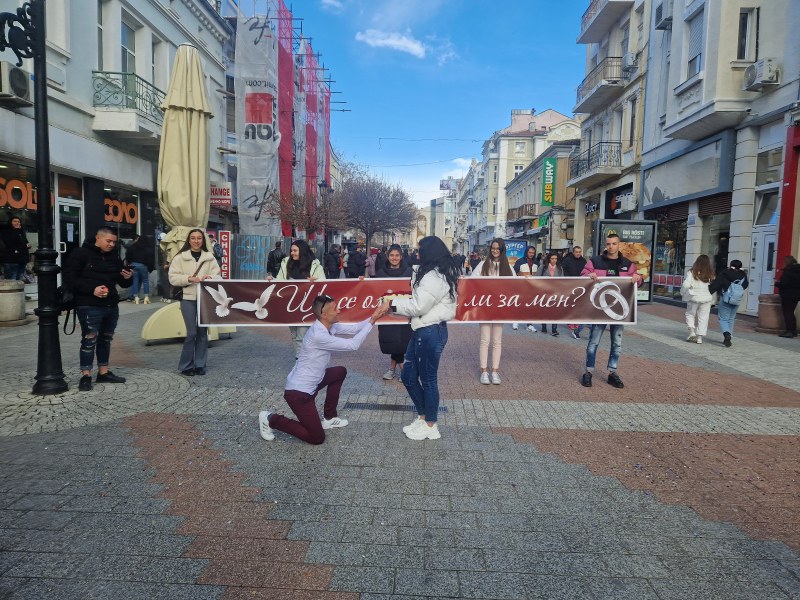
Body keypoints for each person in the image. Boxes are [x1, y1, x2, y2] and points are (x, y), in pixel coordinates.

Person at [258, 295, 389, 445]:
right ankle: (270, 419)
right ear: (324, 315)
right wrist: (372, 321)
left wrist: (374, 316)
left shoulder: (327, 325)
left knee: (339, 372)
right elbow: (353, 345)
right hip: (299, 393)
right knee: (317, 438)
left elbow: (354, 328)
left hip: (313, 382)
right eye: (335, 309)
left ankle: (330, 418)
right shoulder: (318, 335)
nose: (339, 311)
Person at [386, 236, 459, 440]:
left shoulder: (435, 277)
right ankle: (423, 416)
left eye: (420, 251)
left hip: (430, 331)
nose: (417, 254)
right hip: (422, 329)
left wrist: (392, 305)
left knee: (427, 379)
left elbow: (419, 306)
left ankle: (430, 424)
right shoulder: (431, 273)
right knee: (408, 376)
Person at [62, 227, 133, 392]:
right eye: (108, 241)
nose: (112, 244)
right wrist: (92, 289)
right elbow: (70, 278)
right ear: (97, 238)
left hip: (110, 304)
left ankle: (103, 372)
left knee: (106, 339)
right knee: (89, 339)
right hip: (88, 304)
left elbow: (122, 282)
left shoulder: (114, 256)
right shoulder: (80, 254)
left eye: (114, 241)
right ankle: (85, 375)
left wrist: (128, 278)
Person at [581, 233, 643, 389]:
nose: (611, 247)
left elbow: (638, 280)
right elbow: (582, 275)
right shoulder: (595, 261)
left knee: (617, 343)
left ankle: (612, 372)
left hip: (619, 311)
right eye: (608, 244)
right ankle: (588, 372)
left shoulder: (627, 264)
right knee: (593, 342)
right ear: (605, 245)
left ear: (619, 245)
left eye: (614, 244)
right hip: (599, 309)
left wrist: (638, 278)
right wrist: (589, 275)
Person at [169, 229, 221, 376]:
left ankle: (200, 364)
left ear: (203, 240)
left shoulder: (209, 257)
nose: (196, 241)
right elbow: (172, 278)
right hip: (188, 298)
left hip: (205, 299)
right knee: (191, 333)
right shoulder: (180, 257)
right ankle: (186, 365)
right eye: (193, 238)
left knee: (202, 332)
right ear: (189, 240)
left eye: (199, 238)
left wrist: (210, 278)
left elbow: (219, 277)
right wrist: (188, 279)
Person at [270, 239, 325, 358]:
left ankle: (301, 362)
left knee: (301, 335)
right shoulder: (286, 263)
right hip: (290, 305)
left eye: (295, 250)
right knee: (294, 334)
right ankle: (300, 359)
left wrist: (314, 282)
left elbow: (323, 285)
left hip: (306, 306)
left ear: (303, 251)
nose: (292, 253)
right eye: (291, 250)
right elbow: (280, 282)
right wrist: (272, 281)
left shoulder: (315, 265)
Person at [471, 238, 515, 384]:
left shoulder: (508, 267)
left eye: (498, 249)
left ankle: (495, 371)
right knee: (485, 340)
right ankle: (484, 371)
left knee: (497, 341)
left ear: (502, 251)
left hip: (500, 309)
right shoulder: (483, 265)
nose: (495, 251)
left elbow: (516, 285)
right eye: (493, 248)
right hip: (485, 308)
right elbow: (472, 281)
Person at [375, 244, 413, 380]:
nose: (394, 258)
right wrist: (362, 281)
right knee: (392, 341)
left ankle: (396, 369)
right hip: (387, 314)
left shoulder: (410, 272)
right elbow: (373, 290)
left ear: (401, 257)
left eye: (397, 255)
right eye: (392, 255)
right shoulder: (380, 273)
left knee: (402, 341)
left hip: (404, 314)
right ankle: (399, 370)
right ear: (388, 256)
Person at [709, 259, 749, 347]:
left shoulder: (725, 273)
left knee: (723, 318)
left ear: (731, 265)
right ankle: (729, 336)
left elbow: (717, 284)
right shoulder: (743, 275)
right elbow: (745, 285)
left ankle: (726, 334)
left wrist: (709, 292)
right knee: (731, 318)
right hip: (737, 299)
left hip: (726, 298)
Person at [680, 254, 715, 344]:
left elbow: (686, 285)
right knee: (703, 317)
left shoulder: (692, 272)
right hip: (706, 298)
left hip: (694, 297)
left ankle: (692, 332)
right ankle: (700, 338)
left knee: (690, 314)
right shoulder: (710, 273)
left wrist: (683, 292)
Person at [561, 245, 588, 339]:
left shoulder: (584, 261)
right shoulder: (567, 260)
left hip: (581, 285)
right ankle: (570, 320)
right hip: (570, 284)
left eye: (580, 252)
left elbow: (586, 271)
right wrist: (569, 280)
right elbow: (563, 271)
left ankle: (576, 321)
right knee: (571, 303)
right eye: (576, 252)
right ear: (573, 252)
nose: (578, 253)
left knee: (579, 305)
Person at [512, 246, 539, 332]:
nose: (531, 254)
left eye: (533, 253)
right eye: (530, 252)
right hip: (521, 286)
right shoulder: (520, 261)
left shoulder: (536, 262)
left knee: (531, 306)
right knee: (519, 304)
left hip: (532, 287)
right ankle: (515, 321)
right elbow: (513, 272)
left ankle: (530, 324)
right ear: (526, 252)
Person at [537, 251, 564, 336]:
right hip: (544, 292)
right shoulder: (543, 267)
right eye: (552, 258)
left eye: (555, 259)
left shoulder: (560, 268)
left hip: (555, 292)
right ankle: (544, 326)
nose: (554, 260)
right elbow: (537, 278)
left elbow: (562, 280)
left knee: (555, 311)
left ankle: (554, 329)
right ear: (549, 259)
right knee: (545, 310)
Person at [124, 234, 154, 304]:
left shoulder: (134, 246)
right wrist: (150, 268)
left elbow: (128, 255)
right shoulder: (148, 248)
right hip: (143, 265)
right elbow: (151, 260)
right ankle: (146, 297)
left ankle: (136, 297)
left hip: (134, 265)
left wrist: (130, 264)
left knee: (135, 281)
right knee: (145, 281)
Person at [776, 256, 800, 338]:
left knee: (787, 313)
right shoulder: (798, 270)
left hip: (787, 295)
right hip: (796, 295)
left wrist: (776, 283)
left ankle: (789, 331)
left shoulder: (788, 271)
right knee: (791, 312)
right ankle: (793, 331)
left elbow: (784, 284)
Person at [1, 217, 31, 281]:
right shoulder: (6, 231)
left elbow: (24, 242)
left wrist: (28, 245)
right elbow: (9, 242)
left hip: (21, 259)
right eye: (15, 221)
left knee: (19, 278)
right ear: (10, 222)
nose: (17, 223)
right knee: (12, 279)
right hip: (11, 259)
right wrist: (17, 230)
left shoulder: (21, 231)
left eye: (18, 221)